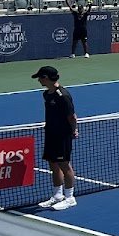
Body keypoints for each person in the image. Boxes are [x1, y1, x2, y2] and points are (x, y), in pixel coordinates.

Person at [34, 65, 79, 210]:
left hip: (62, 135)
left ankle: (70, 197)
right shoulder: (46, 94)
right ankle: (57, 195)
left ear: (46, 78)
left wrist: (74, 130)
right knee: (53, 164)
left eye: (40, 77)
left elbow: (72, 117)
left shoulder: (63, 96)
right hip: (50, 134)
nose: (39, 80)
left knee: (64, 165)